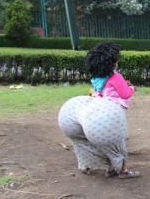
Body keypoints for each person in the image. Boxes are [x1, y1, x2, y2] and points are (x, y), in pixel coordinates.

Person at [58, 42, 141, 178]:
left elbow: (100, 91)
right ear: (113, 63)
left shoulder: (96, 78)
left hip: (96, 102)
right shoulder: (116, 77)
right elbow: (125, 94)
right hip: (112, 108)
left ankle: (87, 165)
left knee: (89, 140)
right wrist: (132, 88)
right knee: (117, 140)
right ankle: (123, 170)